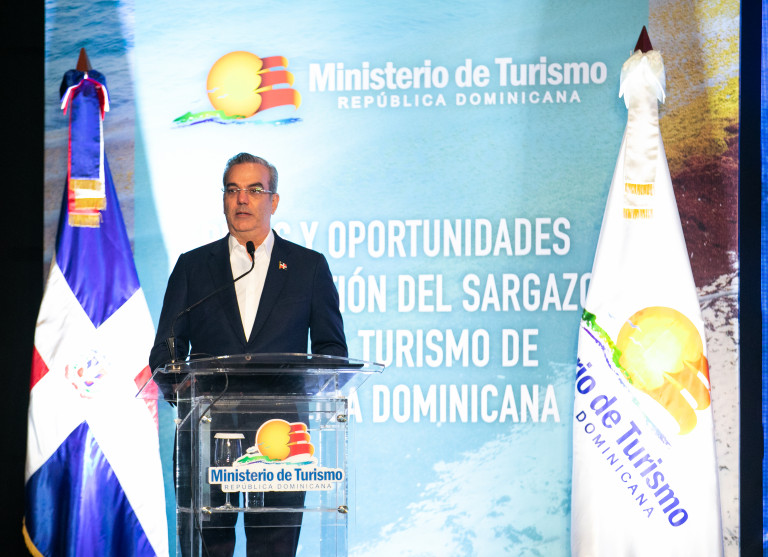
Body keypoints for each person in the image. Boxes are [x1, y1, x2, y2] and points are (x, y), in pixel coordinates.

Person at [149, 153, 347, 557]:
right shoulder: (192, 267)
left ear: (274, 201)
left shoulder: (308, 267)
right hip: (205, 432)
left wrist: (306, 388)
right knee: (208, 548)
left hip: (281, 436)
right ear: (223, 200)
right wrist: (182, 391)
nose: (242, 199)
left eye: (255, 190)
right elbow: (165, 351)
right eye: (233, 190)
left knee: (273, 548)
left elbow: (332, 351)